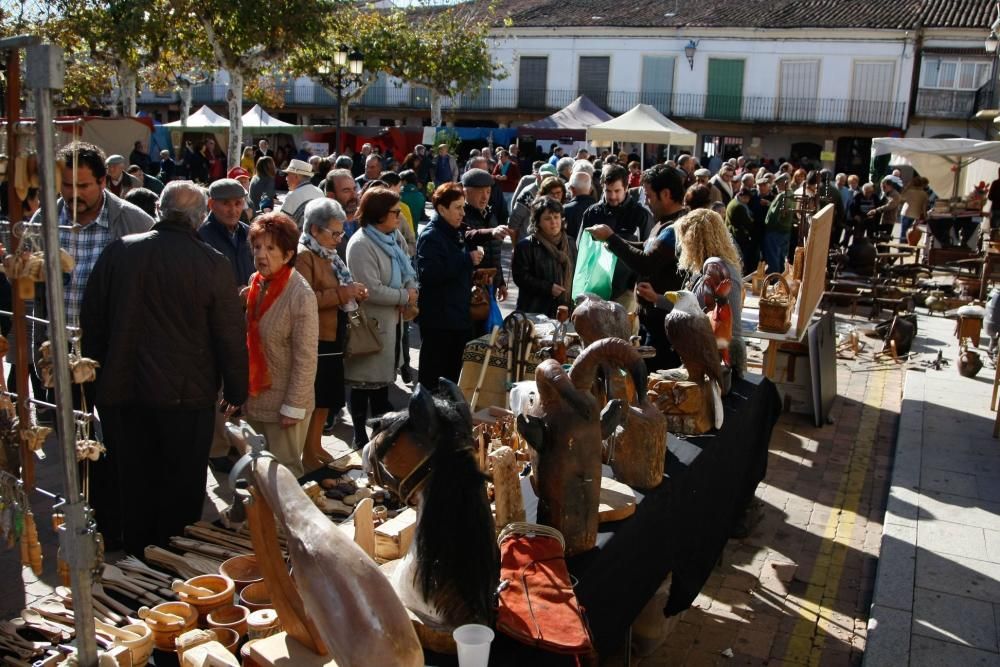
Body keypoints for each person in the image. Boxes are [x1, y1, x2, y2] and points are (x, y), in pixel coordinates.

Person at [80, 180, 247, 555]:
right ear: (200, 216)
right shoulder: (210, 263)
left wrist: (92, 389)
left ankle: (140, 553)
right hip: (184, 399)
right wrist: (237, 391)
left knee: (135, 481)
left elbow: (91, 324)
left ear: (159, 211)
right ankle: (171, 558)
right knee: (181, 485)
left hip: (123, 395)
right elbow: (229, 336)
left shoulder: (119, 253)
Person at [587, 164, 687, 372]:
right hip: (650, 320)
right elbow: (647, 248)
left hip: (663, 326)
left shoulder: (675, 229)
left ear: (666, 194)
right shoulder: (664, 224)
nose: (647, 202)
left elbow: (646, 262)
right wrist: (611, 240)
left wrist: (612, 238)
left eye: (650, 196)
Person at [245, 213, 319, 477]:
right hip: (255, 398)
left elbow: (306, 357)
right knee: (256, 470)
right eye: (257, 247)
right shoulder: (257, 282)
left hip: (284, 405)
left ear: (287, 255)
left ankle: (283, 521)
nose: (261, 255)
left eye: (270, 248)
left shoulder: (300, 294)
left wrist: (294, 405)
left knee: (284, 476)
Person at [297, 198, 369, 469]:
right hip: (315, 337)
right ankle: (307, 452)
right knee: (315, 397)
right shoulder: (305, 255)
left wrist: (355, 294)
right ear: (315, 229)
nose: (340, 239)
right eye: (335, 233)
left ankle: (315, 446)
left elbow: (341, 288)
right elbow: (304, 299)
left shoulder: (329, 254)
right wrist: (343, 293)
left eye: (342, 232)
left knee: (326, 397)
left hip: (333, 333)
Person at [344, 187, 416, 448]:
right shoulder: (361, 244)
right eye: (395, 212)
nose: (400, 217)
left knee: (382, 382)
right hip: (370, 325)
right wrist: (404, 296)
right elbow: (370, 289)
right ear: (378, 214)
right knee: (364, 383)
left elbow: (407, 266)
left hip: (392, 323)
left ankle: (379, 435)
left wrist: (410, 287)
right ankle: (360, 435)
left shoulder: (393, 236)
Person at [415, 183, 484, 389]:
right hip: (439, 320)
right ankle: (427, 418)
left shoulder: (455, 231)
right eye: (457, 208)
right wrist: (466, 260)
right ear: (441, 209)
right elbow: (430, 275)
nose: (462, 213)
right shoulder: (431, 236)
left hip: (458, 317)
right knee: (433, 378)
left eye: (463, 207)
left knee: (453, 378)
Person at [579, 164, 652, 319]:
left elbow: (648, 253)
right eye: (608, 191)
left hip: (626, 291)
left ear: (626, 188)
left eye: (617, 191)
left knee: (622, 338)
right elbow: (581, 248)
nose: (612, 196)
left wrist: (634, 286)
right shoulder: (591, 213)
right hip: (595, 289)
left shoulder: (641, 216)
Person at [511, 196, 576, 317]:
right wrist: (548, 288)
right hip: (535, 310)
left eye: (556, 217)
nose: (554, 222)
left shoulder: (570, 243)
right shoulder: (526, 246)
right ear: (538, 222)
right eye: (547, 218)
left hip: (565, 310)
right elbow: (520, 277)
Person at [461, 169, 510, 306]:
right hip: (468, 288)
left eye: (488, 192)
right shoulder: (461, 216)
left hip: (489, 286)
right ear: (466, 192)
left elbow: (495, 253)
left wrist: (500, 282)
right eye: (480, 192)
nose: (485, 197)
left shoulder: (490, 215)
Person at [198, 179, 254, 287]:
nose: (233, 210)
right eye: (226, 204)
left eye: (238, 203)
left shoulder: (249, 232)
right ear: (211, 204)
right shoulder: (201, 237)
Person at [763, 176, 796, 273]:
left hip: (775, 231)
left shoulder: (782, 195)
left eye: (777, 185)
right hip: (785, 230)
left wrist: (768, 225)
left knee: (773, 258)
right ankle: (781, 279)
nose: (776, 187)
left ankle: (774, 280)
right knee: (782, 258)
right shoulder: (791, 194)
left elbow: (774, 214)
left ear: (782, 184)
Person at [279, 159, 324, 225]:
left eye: (288, 175)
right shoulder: (320, 192)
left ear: (296, 177)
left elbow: (281, 222)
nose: (286, 178)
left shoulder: (293, 195)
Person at [725, 187, 756, 274]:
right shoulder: (738, 206)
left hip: (733, 232)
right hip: (739, 235)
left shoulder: (733, 202)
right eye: (747, 198)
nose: (748, 201)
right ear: (742, 196)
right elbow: (747, 223)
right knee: (742, 256)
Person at [563, 171, 595, 242]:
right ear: (590, 190)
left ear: (572, 189)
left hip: (572, 250)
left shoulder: (566, 209)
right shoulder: (598, 208)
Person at [899, 176, 929, 244]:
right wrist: (925, 216)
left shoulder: (909, 191)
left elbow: (901, 199)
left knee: (903, 232)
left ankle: (901, 249)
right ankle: (908, 247)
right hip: (916, 215)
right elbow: (924, 207)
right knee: (912, 233)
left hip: (905, 213)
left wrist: (907, 187)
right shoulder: (924, 194)